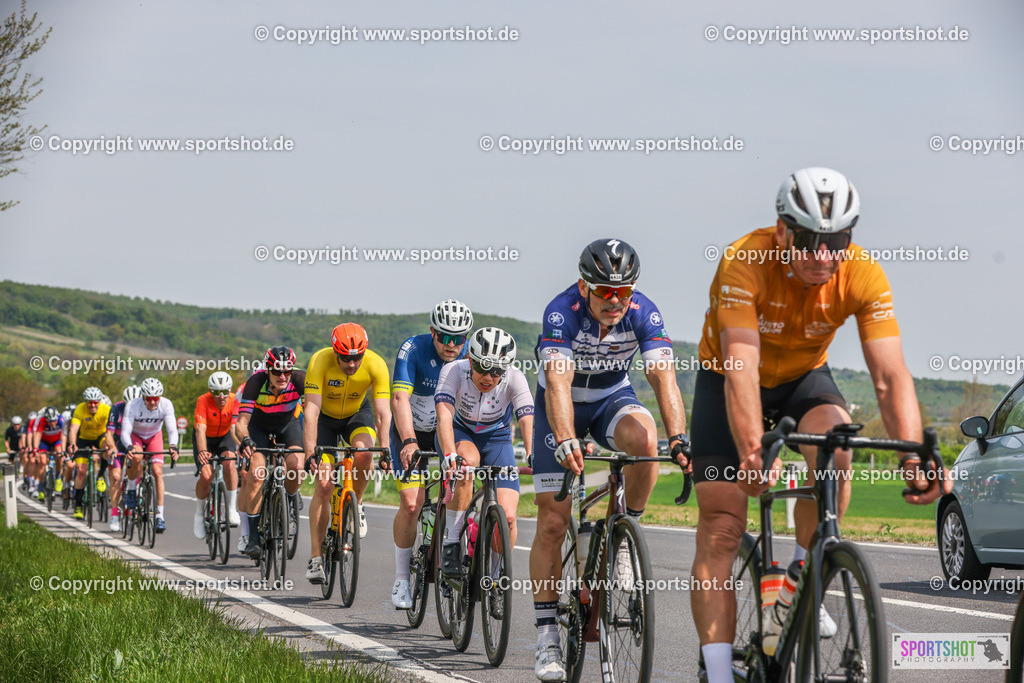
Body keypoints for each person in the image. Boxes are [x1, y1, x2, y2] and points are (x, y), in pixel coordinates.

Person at [690, 167, 951, 683]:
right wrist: (750, 450)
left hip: (804, 377)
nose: (823, 256)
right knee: (722, 529)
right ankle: (719, 673)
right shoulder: (746, 260)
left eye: (837, 241)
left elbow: (890, 374)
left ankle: (799, 576)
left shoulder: (863, 274)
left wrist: (914, 455)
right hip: (730, 378)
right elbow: (741, 366)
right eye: (810, 240)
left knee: (838, 448)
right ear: (783, 229)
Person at [529, 238, 689, 681]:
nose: (615, 301)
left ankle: (623, 533)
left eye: (624, 291)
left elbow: (663, 376)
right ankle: (546, 639)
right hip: (557, 408)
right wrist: (564, 439)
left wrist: (680, 438)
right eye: (605, 291)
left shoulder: (643, 312)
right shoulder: (561, 312)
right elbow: (558, 384)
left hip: (609, 399)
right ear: (585, 287)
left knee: (645, 438)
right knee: (553, 521)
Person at [388, 299, 472, 609]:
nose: (452, 345)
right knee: (412, 503)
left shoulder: (470, 357)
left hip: (445, 431)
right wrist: (409, 440)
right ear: (432, 332)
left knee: (462, 483)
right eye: (444, 337)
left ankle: (450, 549)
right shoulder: (413, 348)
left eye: (458, 338)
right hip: (410, 429)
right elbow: (398, 398)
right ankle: (400, 579)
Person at [436, 327, 532, 588]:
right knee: (467, 463)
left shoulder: (515, 377)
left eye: (498, 371)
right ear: (470, 360)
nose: (490, 377)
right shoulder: (454, 370)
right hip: (459, 431)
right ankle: (451, 543)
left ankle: (496, 574)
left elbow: (526, 417)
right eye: (483, 368)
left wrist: (533, 453)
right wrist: (449, 454)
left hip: (497, 439)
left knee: (509, 517)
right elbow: (444, 416)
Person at [302, 323, 391, 584]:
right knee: (325, 484)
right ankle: (316, 558)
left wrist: (385, 449)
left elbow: (384, 413)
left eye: (357, 358)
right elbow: (311, 411)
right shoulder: (320, 361)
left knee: (365, 454)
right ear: (335, 352)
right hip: (325, 420)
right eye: (345, 358)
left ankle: (357, 505)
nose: (352, 364)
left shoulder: (375, 364)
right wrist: (310, 453)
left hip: (356, 414)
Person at [236, 347, 306, 560]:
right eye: (277, 371)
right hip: (259, 428)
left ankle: (291, 504)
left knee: (296, 467)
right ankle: (254, 537)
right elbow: (241, 423)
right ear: (268, 369)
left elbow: (315, 414)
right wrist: (245, 439)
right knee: (256, 475)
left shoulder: (301, 380)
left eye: (287, 371)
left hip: (288, 425)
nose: (282, 376)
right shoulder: (255, 383)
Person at [121, 378, 179, 532]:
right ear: (143, 397)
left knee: (158, 472)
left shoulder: (166, 404)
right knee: (137, 457)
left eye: (156, 398)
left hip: (154, 436)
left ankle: (159, 516)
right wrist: (129, 447)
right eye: (149, 398)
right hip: (136, 436)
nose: (153, 402)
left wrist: (173, 446)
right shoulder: (133, 405)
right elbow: (125, 431)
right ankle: (132, 488)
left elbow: (172, 430)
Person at [192, 371, 241, 539]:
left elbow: (236, 426)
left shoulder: (235, 400)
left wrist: (239, 446)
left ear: (230, 390)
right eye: (216, 392)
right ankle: (199, 514)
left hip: (225, 436)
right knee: (206, 475)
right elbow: (200, 429)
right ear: (210, 392)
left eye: (225, 391)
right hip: (205, 438)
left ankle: (231, 508)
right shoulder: (203, 400)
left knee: (230, 464)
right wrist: (203, 451)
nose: (221, 396)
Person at [67, 387, 113, 520]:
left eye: (95, 402)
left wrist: (112, 444)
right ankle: (78, 505)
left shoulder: (106, 409)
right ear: (86, 402)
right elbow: (73, 429)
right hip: (83, 439)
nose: (93, 405)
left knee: (107, 447)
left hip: (100, 437)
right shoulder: (80, 409)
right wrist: (73, 444)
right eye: (90, 402)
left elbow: (111, 429)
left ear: (99, 401)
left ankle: (100, 476)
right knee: (81, 471)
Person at [105, 385, 141, 531]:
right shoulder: (116, 409)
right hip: (119, 444)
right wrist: (112, 447)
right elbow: (109, 433)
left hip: (135, 443)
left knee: (139, 464)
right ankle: (114, 515)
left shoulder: (143, 408)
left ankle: (137, 492)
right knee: (115, 476)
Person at [33, 407, 68, 504]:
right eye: (50, 422)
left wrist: (65, 450)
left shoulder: (61, 420)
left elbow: (65, 434)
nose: (52, 424)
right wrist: (35, 449)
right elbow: (38, 435)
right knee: (42, 462)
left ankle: (57, 478)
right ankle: (40, 489)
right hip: (45, 442)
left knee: (59, 455)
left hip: (57, 441)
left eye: (54, 421)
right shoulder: (42, 421)